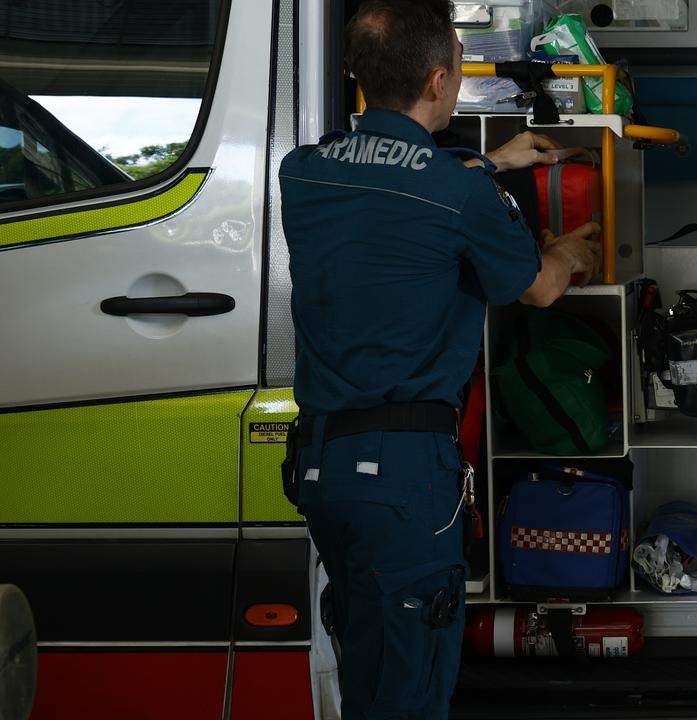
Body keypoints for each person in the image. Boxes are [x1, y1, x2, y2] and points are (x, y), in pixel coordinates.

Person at [278, 1, 601, 718]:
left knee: (368, 656)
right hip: (404, 477)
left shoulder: (302, 175)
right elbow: (540, 290)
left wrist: (489, 161)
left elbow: (391, 187)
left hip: (323, 469)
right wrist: (568, 250)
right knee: (411, 683)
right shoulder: (461, 193)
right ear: (436, 82)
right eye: (457, 67)